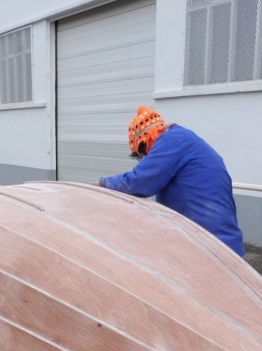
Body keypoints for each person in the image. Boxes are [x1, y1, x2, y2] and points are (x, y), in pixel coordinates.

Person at [98, 106, 245, 256]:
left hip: (208, 246)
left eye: (141, 154)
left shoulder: (171, 141)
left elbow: (138, 182)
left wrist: (104, 183)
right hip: (222, 243)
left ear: (144, 141)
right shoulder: (182, 138)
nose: (144, 158)